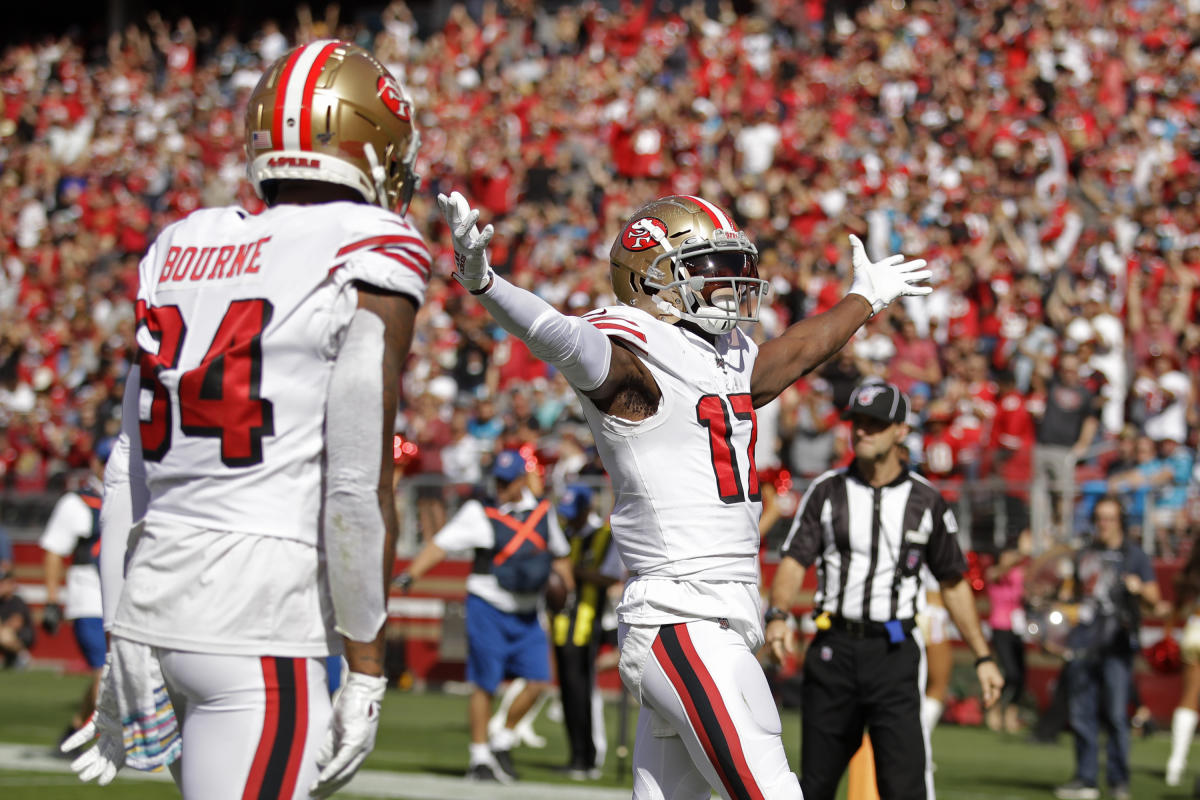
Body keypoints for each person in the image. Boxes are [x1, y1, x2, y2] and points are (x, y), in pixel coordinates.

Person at [436, 188, 932, 798]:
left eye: (732, 267)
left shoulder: (724, 358)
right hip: (684, 618)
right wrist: (485, 282)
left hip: (712, 619)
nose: (729, 284)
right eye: (707, 269)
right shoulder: (630, 357)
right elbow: (557, 336)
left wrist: (867, 297)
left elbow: (802, 349)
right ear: (650, 279)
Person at [66, 40, 428, 800]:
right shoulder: (370, 244)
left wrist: (117, 635)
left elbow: (126, 464)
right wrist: (366, 669)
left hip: (154, 602)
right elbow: (359, 481)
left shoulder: (180, 244)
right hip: (259, 613)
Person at [766, 381, 1004, 800]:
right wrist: (779, 614)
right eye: (857, 422)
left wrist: (982, 655)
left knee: (904, 786)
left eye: (874, 424)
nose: (862, 432)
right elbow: (793, 560)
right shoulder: (827, 491)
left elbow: (952, 582)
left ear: (900, 431)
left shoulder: (926, 501)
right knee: (815, 784)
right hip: (834, 649)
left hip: (893, 655)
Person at [398, 449, 573, 783]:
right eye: (499, 480)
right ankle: (479, 757)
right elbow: (441, 545)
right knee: (484, 684)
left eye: (509, 481)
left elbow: (560, 554)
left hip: (527, 610)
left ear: (523, 479)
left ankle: (502, 740)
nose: (503, 487)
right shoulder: (479, 511)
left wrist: (568, 590)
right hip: (488, 606)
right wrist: (411, 574)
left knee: (539, 681)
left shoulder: (542, 512)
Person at [1053, 495, 1160, 800]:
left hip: (1116, 643)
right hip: (1083, 641)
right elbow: (1068, 595)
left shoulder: (1134, 555)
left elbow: (1154, 598)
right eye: (1099, 518)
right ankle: (1085, 779)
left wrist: (1138, 589)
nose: (1103, 524)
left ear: (1121, 521)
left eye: (1109, 518)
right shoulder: (1083, 554)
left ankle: (1118, 780)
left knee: (1115, 714)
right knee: (1082, 714)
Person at [39, 440, 112, 750]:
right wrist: (53, 598)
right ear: (96, 464)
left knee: (115, 671)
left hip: (121, 598)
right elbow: (55, 551)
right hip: (89, 597)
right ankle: (109, 740)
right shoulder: (77, 503)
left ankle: (73, 732)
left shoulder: (134, 499)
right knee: (103, 670)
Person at [552, 483, 625, 780]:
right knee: (568, 690)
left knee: (583, 691)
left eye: (575, 514)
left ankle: (589, 757)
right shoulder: (565, 534)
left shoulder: (604, 535)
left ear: (587, 509)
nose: (570, 520)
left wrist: (572, 573)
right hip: (561, 623)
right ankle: (575, 756)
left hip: (589, 621)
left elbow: (611, 577)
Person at [984, 529, 1032, 734]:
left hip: (1018, 627)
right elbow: (1001, 570)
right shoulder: (995, 573)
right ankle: (994, 708)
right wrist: (1022, 553)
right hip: (1000, 627)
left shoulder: (1020, 573)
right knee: (1009, 672)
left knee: (1021, 674)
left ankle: (1011, 712)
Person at [1168, 539, 1200, 788]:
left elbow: (1178, 606)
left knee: (1189, 697)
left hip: (1195, 630)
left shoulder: (1191, 571)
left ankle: (1176, 763)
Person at [0, 564, 34, 669]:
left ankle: (22, 656)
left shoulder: (16, 601)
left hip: (21, 635)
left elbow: (16, 623)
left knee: (4, 634)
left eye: (2, 583)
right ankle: (12, 658)